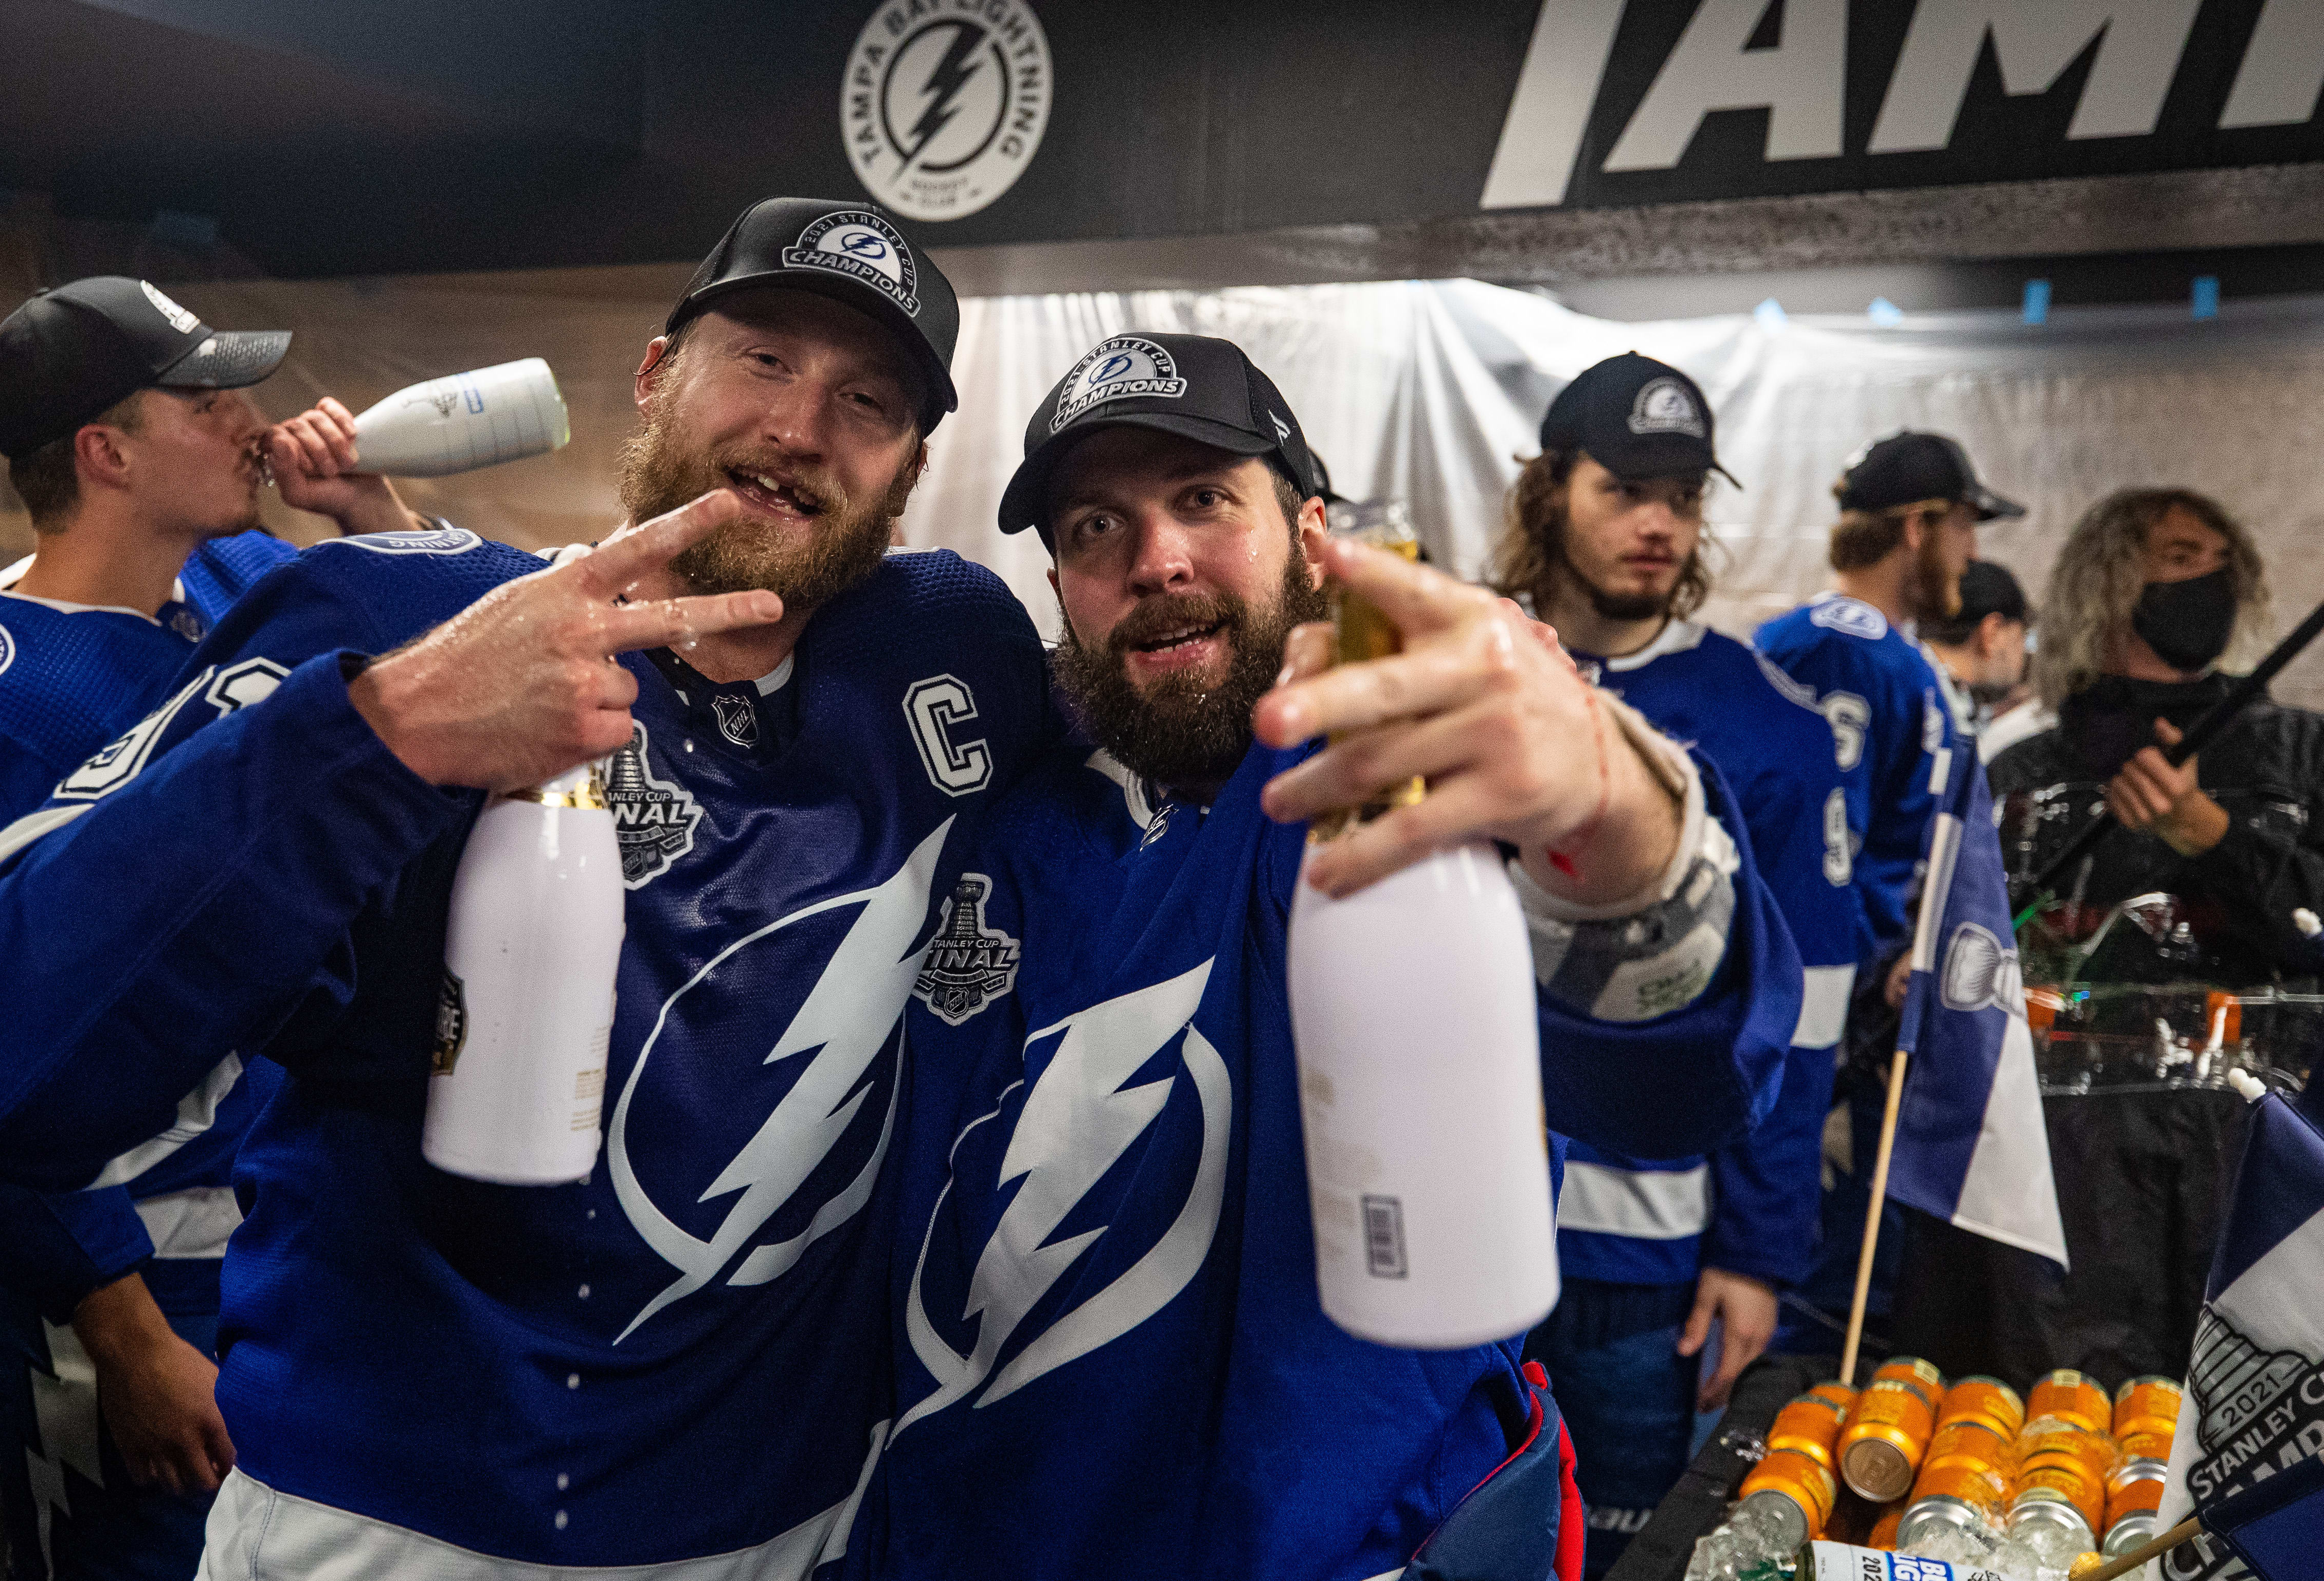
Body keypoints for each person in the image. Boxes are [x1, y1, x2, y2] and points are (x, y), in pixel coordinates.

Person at [0, 197, 1071, 1575]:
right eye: (761, 361)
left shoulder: (945, 651)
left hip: (795, 1521)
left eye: (865, 398)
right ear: (651, 374)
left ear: (911, 462)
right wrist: (382, 729)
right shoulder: (405, 621)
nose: (801, 427)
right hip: (405, 1527)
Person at [844, 333, 1799, 1579]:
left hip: (1369, 1544)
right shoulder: (985, 806)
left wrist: (1609, 808)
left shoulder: (1406, 765)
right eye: (1093, 527)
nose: (1154, 561)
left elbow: (1679, 1076)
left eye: (1201, 499)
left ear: (1309, 538)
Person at [0, 277, 419, 1580]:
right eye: (208, 401)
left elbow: (425, 636)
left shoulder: (219, 593)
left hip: (272, 1251)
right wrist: (120, 1331)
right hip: (126, 1283)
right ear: (105, 454)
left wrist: (366, 511)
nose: (254, 424)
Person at [1489, 352, 1859, 1575]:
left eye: (1684, 495)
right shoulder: (1463, 675)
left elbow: (1801, 1016)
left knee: (1629, 1557)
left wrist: (1756, 1252)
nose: (1658, 523)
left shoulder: (1767, 724)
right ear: (1549, 488)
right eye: (1624, 488)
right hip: (1442, 1227)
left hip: (1639, 1261)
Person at [1902, 487, 2324, 1383]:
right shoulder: (2023, 764)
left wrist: (2215, 837)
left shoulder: (2301, 753)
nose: (2205, 577)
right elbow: (1958, 964)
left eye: (2220, 561)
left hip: (2264, 1166)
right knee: (2065, 1433)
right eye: (2176, 557)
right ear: (2110, 577)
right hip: (2065, 1187)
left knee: (2252, 1417)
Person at [1753, 430, 2012, 1361]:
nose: (1972, 553)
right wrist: (1875, 964)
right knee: (1817, 1302)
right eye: (1965, 527)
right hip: (1835, 1026)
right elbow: (1826, 852)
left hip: (1842, 1014)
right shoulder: (1860, 656)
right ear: (1918, 527)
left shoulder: (1819, 642)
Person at [1917, 560, 2043, 761]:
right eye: (2022, 635)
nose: (2023, 655)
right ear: (1992, 634)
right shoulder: (1936, 712)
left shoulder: (1928, 685)